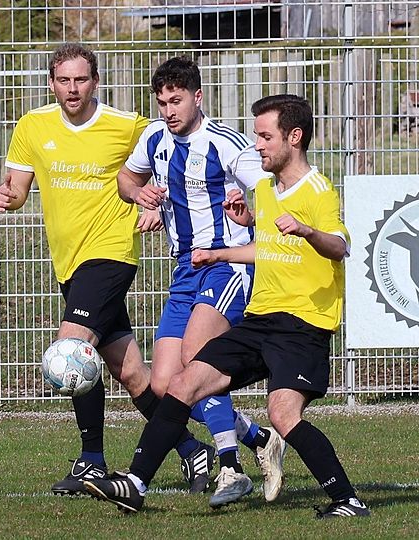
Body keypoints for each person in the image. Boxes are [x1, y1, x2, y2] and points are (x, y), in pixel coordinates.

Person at [83, 94, 371, 519]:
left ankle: (348, 500)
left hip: (302, 326)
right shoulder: (269, 190)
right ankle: (136, 483)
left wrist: (308, 230)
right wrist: (220, 252)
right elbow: (270, 248)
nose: (257, 145)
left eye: (265, 136)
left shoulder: (318, 189)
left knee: (283, 414)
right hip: (260, 321)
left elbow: (339, 245)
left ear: (295, 137)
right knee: (184, 383)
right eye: (256, 136)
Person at [0, 43, 214, 497]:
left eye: (82, 80)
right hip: (69, 261)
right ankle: (193, 448)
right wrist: (7, 198)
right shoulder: (33, 126)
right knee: (132, 374)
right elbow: (18, 190)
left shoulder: (126, 126)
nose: (73, 89)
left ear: (96, 81)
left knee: (71, 350)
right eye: (64, 80)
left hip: (111, 253)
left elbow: (177, 160)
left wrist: (156, 204)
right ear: (52, 83)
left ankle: (91, 460)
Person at [117, 56, 287, 507]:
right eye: (161, 103)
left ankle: (230, 467)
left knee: (197, 358)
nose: (168, 111)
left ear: (197, 97)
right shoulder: (154, 138)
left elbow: (271, 191)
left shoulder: (225, 144)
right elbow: (126, 178)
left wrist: (248, 211)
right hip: (185, 269)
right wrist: (142, 196)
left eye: (176, 101)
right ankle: (256, 436)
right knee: (164, 384)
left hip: (228, 265)